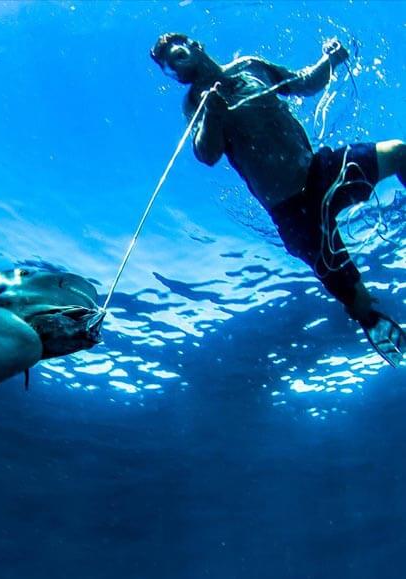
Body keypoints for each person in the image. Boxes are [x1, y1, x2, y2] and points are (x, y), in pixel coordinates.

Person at [150, 32, 406, 366]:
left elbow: (303, 84)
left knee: (399, 152)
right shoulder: (195, 102)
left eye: (177, 57)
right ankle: (373, 323)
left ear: (195, 46)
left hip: (320, 171)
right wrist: (213, 113)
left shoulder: (251, 66)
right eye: (168, 70)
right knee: (355, 295)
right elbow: (207, 154)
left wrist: (330, 60)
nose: (175, 71)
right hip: (292, 214)